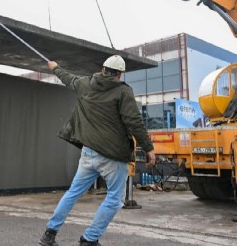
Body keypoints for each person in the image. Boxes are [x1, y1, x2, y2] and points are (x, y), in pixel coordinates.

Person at [39, 55, 156, 246]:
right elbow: (133, 121)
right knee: (115, 199)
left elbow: (68, 78)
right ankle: (89, 239)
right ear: (120, 74)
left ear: (103, 69)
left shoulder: (85, 84)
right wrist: (149, 148)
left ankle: (49, 234)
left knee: (73, 193)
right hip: (113, 156)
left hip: (89, 153)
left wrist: (55, 67)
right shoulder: (123, 91)